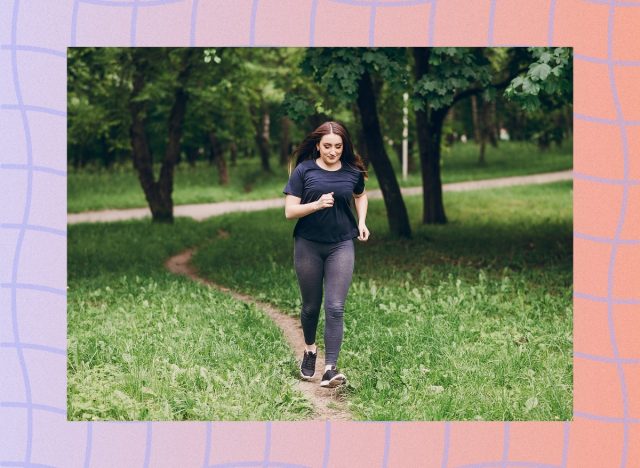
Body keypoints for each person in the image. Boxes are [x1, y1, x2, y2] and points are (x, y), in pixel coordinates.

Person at [283, 121, 369, 388]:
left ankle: (330, 369)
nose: (333, 151)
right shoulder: (303, 171)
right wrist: (317, 204)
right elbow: (289, 211)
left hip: (341, 244)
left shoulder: (352, 171)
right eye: (328, 146)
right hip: (308, 243)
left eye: (338, 146)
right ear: (318, 146)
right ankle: (310, 350)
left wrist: (362, 221)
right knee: (311, 306)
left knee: (335, 307)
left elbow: (361, 195)